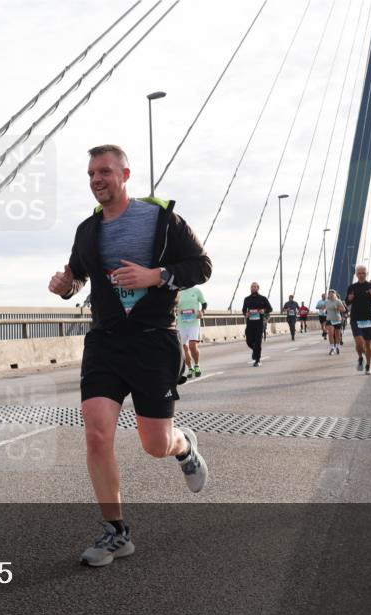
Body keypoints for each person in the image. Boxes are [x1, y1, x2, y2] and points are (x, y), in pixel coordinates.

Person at [49, 143, 211, 567]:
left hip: (153, 340)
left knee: (155, 444)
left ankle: (183, 447)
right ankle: (116, 532)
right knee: (97, 433)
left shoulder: (161, 219)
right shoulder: (87, 230)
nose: (96, 180)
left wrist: (155, 276)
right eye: (91, 174)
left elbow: (201, 266)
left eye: (104, 171)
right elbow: (78, 277)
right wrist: (66, 285)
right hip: (105, 341)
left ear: (125, 174)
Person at [346, 265, 371, 375]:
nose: (361, 275)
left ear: (366, 274)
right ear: (356, 274)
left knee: (368, 345)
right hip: (356, 318)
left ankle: (368, 366)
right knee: (359, 342)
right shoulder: (352, 287)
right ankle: (360, 357)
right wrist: (349, 299)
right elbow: (347, 302)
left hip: (368, 318)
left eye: (363, 273)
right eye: (359, 273)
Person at [177, 285, 207, 378]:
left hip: (194, 323)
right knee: (184, 348)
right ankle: (190, 369)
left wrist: (202, 311)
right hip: (181, 324)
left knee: (192, 346)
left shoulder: (196, 291)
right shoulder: (177, 292)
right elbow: (172, 305)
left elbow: (204, 303)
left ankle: (197, 365)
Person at [242, 282, 272, 366]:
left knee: (258, 342)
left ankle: (257, 360)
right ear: (250, 288)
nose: (253, 288)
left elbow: (270, 308)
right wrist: (246, 313)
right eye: (252, 287)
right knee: (249, 341)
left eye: (255, 287)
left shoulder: (263, 298)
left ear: (258, 288)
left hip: (259, 323)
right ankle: (255, 350)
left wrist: (264, 310)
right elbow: (244, 310)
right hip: (250, 323)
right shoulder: (247, 299)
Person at [324, 289, 346, 355]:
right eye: (330, 294)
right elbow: (324, 308)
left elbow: (343, 309)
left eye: (332, 294)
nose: (331, 295)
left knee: (337, 334)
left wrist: (338, 309)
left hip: (337, 319)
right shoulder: (326, 302)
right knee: (330, 334)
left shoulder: (338, 301)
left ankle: (337, 347)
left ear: (335, 295)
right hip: (329, 319)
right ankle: (332, 348)